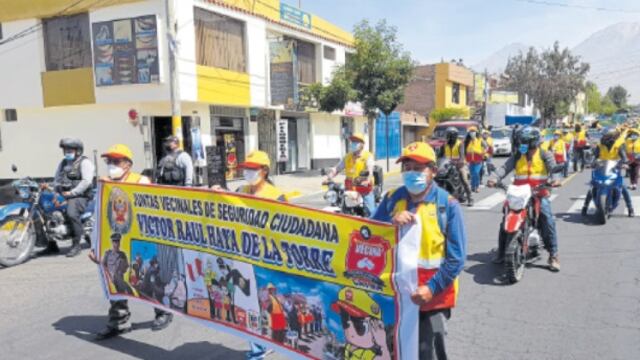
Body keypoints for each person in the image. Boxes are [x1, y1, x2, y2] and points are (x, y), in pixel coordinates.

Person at [372, 142, 467, 360]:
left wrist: (431, 288)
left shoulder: (448, 205)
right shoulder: (391, 199)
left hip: (431, 297)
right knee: (393, 348)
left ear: (433, 171)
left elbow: (457, 259)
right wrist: (390, 221)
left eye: (418, 168)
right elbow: (370, 233)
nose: (411, 173)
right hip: (396, 294)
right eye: (407, 168)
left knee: (429, 352)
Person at [88, 144, 173, 340]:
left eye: (116, 161)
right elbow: (98, 220)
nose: (111, 165)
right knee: (115, 279)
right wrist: (95, 247)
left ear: (127, 164)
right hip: (115, 241)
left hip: (141, 240)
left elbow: (153, 211)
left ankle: (162, 312)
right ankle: (119, 321)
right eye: (109, 161)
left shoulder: (140, 181)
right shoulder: (104, 186)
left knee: (148, 277)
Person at [225, 150, 284, 359]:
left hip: (265, 258)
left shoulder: (275, 196)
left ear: (264, 171)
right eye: (246, 169)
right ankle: (258, 347)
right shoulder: (241, 189)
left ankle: (265, 342)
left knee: (261, 302)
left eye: (252, 169)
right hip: (242, 255)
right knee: (247, 302)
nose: (248, 173)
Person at [488, 126, 561, 271]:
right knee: (506, 220)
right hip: (518, 194)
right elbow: (504, 167)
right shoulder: (518, 155)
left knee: (547, 219)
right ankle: (502, 251)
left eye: (526, 143)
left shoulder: (545, 154)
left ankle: (553, 255)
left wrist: (555, 179)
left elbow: (553, 169)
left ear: (534, 142)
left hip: (538, 194)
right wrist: (494, 178)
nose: (524, 146)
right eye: (523, 142)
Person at [43, 138, 96, 257]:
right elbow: (57, 178)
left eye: (70, 149)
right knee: (46, 211)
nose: (67, 151)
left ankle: (76, 245)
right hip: (64, 194)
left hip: (80, 196)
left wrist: (72, 193)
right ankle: (51, 245)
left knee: (72, 213)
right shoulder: (63, 163)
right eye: (65, 149)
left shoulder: (85, 162)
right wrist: (54, 189)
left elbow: (86, 181)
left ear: (78, 150)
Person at [580, 129, 635, 217]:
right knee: (593, 186)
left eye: (606, 136)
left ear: (612, 136)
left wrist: (625, 163)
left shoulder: (619, 144)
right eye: (603, 136)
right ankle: (585, 206)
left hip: (615, 168)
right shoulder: (600, 145)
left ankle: (630, 208)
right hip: (601, 168)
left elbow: (624, 156)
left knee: (623, 187)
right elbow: (596, 156)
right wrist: (591, 163)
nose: (604, 137)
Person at [331, 287, 391, 360]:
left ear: (376, 330)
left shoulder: (371, 355)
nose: (349, 330)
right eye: (344, 320)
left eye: (358, 324)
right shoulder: (350, 347)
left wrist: (383, 345)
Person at [325, 133, 376, 215]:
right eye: (352, 141)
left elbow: (370, 170)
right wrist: (329, 177)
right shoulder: (347, 156)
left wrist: (367, 180)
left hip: (364, 189)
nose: (353, 144)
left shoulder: (368, 156)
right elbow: (337, 169)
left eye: (356, 142)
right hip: (349, 189)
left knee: (370, 211)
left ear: (362, 144)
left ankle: (373, 224)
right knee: (342, 208)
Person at [438, 127, 473, 206]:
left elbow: (462, 155)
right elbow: (440, 156)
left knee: (464, 180)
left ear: (453, 135)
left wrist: (460, 161)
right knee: (438, 177)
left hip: (459, 165)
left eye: (448, 135)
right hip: (447, 165)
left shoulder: (460, 143)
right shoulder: (444, 145)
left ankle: (470, 198)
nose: (446, 137)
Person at [464, 126, 485, 193]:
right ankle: (473, 187)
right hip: (470, 161)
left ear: (476, 132)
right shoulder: (467, 141)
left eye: (473, 131)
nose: (472, 133)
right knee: (472, 174)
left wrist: (484, 154)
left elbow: (486, 147)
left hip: (478, 161)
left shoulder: (480, 140)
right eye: (471, 131)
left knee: (476, 173)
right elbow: (464, 151)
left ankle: (477, 186)